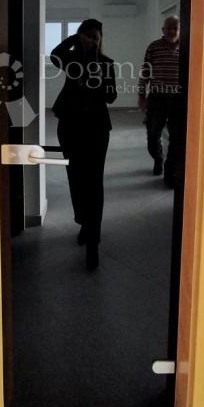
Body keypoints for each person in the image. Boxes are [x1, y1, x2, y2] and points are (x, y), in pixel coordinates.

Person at [50, 19, 117, 270]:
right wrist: (74, 40)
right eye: (87, 36)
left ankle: (93, 240)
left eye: (96, 37)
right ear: (80, 39)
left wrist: (100, 81)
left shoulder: (107, 63)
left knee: (94, 181)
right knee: (76, 178)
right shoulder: (71, 60)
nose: (93, 41)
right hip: (69, 126)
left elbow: (112, 96)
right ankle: (85, 222)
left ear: (101, 39)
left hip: (97, 127)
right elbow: (54, 54)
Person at [138, 15, 183, 188]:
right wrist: (142, 95)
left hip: (178, 99)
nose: (171, 31)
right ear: (163, 29)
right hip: (157, 98)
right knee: (153, 133)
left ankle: (169, 172)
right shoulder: (154, 47)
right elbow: (145, 72)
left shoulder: (187, 47)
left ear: (180, 30)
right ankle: (158, 158)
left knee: (176, 137)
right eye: (168, 27)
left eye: (175, 28)